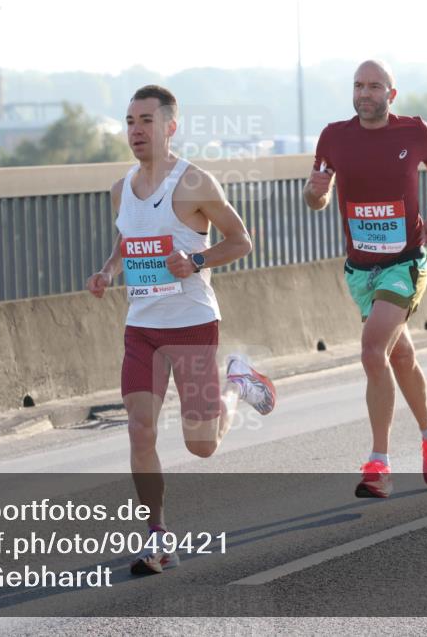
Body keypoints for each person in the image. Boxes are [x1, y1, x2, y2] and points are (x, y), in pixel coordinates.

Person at [86, 84, 277, 574]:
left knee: (202, 445)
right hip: (142, 329)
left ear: (170, 126)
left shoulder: (194, 183)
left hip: (192, 324)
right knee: (140, 429)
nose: (136, 130)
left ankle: (237, 384)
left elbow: (241, 241)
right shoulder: (120, 189)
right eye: (130, 121)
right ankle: (157, 536)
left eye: (146, 121)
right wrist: (108, 271)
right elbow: (128, 240)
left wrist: (196, 261)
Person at [303, 60, 427, 499]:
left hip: (405, 263)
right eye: (358, 86)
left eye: (373, 86)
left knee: (373, 350)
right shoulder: (334, 137)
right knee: (399, 356)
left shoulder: (414, 131)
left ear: (391, 94)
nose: (364, 94)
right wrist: (314, 192)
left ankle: (379, 464)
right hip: (359, 270)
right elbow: (315, 198)